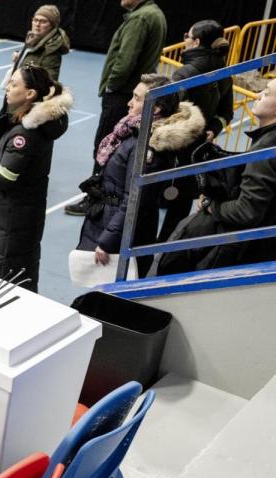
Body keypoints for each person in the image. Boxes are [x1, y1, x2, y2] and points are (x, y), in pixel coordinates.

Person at [77, 74, 203, 277]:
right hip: (109, 220)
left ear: (156, 108)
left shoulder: (145, 146)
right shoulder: (133, 132)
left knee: (107, 295)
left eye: (136, 98)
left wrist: (108, 240)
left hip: (117, 232)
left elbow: (135, 200)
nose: (129, 103)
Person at [0, 64, 72, 292]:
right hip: (18, 218)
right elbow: (11, 157)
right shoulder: (32, 126)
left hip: (9, 222)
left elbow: (4, 178)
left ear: (30, 94)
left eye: (14, 84)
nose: (7, 87)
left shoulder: (25, 135)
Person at [157, 78, 276, 274]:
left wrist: (212, 206)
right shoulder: (266, 141)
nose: (257, 95)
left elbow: (247, 211)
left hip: (239, 248)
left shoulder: (265, 151)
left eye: (267, 93)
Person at [68, 0, 165, 216]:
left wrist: (112, 85)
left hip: (122, 94)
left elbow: (125, 58)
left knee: (105, 145)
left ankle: (94, 198)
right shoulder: (154, 13)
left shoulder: (140, 17)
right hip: (131, 93)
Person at [157, 19, 234, 244]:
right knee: (179, 208)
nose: (184, 39)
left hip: (171, 150)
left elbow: (163, 112)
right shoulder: (225, 73)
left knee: (150, 200)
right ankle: (168, 247)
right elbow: (226, 112)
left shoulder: (184, 74)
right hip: (198, 149)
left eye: (186, 36)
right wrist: (213, 129)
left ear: (196, 41)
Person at [0, 5, 69, 125]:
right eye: (35, 20)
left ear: (52, 25)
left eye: (43, 21)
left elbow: (47, 86)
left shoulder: (51, 52)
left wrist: (26, 110)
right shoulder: (33, 39)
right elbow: (31, 64)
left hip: (23, 107)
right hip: (14, 97)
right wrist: (20, 59)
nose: (37, 24)